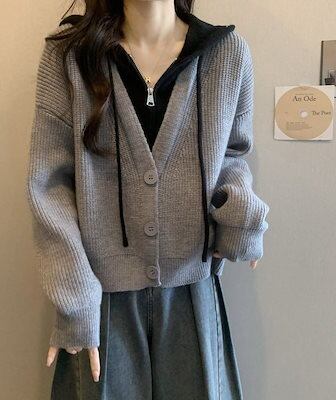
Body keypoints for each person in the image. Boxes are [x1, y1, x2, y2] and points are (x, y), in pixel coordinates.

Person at [25, 1, 270, 399]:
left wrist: (239, 213)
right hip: (100, 297)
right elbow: (49, 184)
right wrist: (74, 296)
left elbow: (231, 153)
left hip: (193, 290)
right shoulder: (69, 56)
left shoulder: (226, 54)